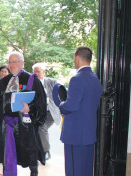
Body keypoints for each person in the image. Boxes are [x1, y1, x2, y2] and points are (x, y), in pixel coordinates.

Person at [0, 51, 47, 176]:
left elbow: (41, 102)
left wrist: (30, 109)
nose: (11, 65)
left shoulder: (32, 80)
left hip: (26, 123)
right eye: (10, 62)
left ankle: (34, 173)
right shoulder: (3, 81)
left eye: (14, 62)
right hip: (7, 124)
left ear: (22, 63)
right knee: (8, 153)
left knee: (31, 153)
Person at [57, 47, 102, 176]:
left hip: (75, 135)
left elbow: (71, 106)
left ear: (77, 57)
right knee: (86, 170)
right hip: (88, 134)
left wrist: (61, 105)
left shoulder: (77, 78)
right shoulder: (95, 79)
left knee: (74, 170)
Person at [32, 63, 61, 160]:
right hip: (38, 113)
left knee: (42, 127)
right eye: (34, 72)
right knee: (34, 129)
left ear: (44, 72)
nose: (36, 74)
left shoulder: (52, 82)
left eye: (38, 71)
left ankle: (46, 152)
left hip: (50, 112)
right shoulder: (31, 83)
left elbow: (61, 96)